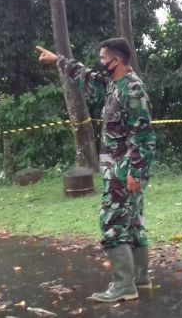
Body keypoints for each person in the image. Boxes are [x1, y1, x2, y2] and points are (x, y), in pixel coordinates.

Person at [36, 38, 156, 302]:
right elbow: (85, 76)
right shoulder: (113, 83)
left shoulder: (132, 89)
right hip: (119, 170)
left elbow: (144, 135)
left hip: (124, 172)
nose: (100, 63)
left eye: (103, 59)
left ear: (118, 60)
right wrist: (57, 59)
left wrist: (135, 172)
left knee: (111, 222)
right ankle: (140, 279)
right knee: (132, 222)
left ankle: (124, 286)